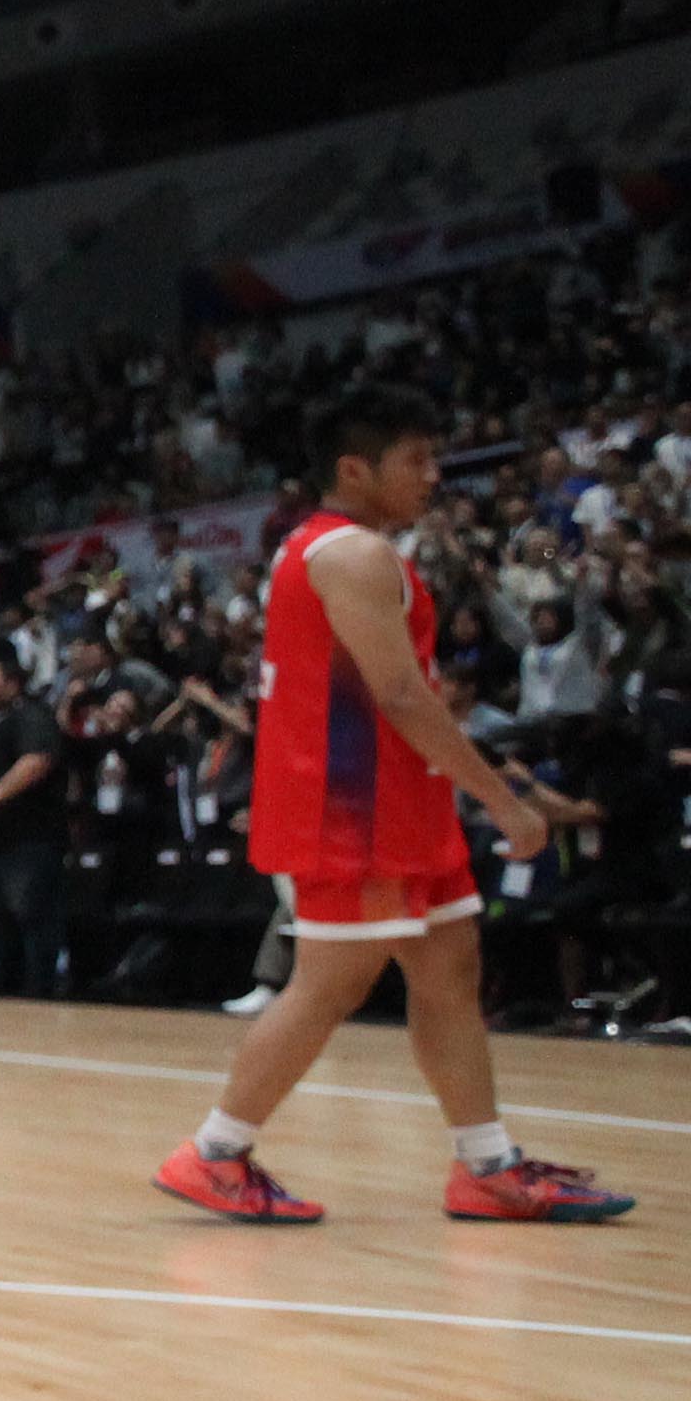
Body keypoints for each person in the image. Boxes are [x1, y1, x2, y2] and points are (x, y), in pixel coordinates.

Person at [156, 386, 633, 1226]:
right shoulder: (348, 555)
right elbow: (404, 701)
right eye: (415, 458)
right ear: (354, 467)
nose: (433, 473)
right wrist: (508, 802)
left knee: (450, 972)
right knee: (327, 985)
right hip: (353, 809)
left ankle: (486, 1166)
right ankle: (215, 1152)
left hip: (398, 802)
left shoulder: (342, 548)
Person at [0, 656, 71, 1001]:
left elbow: (37, 761)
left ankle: (39, 987)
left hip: (28, 839)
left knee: (32, 913)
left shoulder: (31, 716)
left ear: (12, 684)